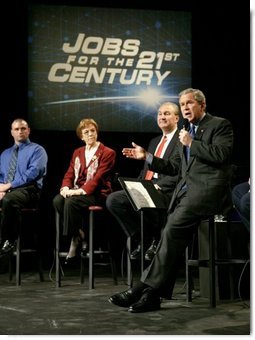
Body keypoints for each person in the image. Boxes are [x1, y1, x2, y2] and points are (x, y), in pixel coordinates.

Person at [108, 88, 234, 313]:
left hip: (207, 193)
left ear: (202, 105)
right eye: (182, 103)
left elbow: (221, 155)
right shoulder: (186, 131)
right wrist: (147, 157)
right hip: (185, 195)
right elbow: (175, 167)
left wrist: (191, 143)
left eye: (189, 103)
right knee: (171, 239)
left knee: (170, 232)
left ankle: (141, 288)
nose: (185, 107)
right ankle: (152, 296)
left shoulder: (219, 125)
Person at [106, 102, 180, 261]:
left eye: (166, 113)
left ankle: (156, 238)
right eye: (160, 114)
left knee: (146, 201)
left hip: (166, 190)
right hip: (147, 186)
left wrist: (158, 186)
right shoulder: (154, 141)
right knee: (114, 200)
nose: (162, 117)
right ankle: (143, 237)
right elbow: (146, 171)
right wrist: (135, 185)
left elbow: (179, 171)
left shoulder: (182, 140)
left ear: (177, 118)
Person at [53, 118, 116, 265]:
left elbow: (98, 177)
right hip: (78, 191)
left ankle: (74, 240)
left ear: (97, 132)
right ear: (81, 136)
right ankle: (79, 233)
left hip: (98, 193)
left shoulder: (107, 152)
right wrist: (65, 187)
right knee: (57, 200)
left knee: (71, 202)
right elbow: (70, 173)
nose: (90, 134)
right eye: (86, 132)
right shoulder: (78, 152)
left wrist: (79, 191)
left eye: (92, 131)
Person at [0, 118, 48, 255]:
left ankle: (8, 240)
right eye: (16, 129)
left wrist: (8, 186)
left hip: (29, 190)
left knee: (10, 200)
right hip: (7, 191)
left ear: (28, 131)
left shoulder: (37, 150)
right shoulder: (5, 154)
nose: (20, 131)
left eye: (23, 128)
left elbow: (33, 174)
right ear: (11, 132)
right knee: (7, 197)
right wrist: (1, 188)